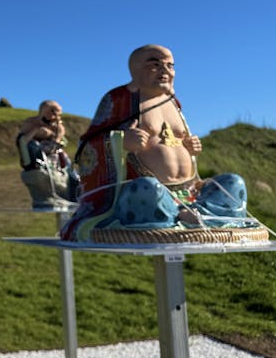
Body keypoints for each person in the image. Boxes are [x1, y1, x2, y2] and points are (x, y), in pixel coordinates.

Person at [61, 45, 248, 241]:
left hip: (191, 192)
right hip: (149, 193)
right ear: (135, 69)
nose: (165, 70)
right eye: (155, 64)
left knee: (233, 183)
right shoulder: (118, 99)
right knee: (146, 189)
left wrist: (190, 148)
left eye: (170, 65)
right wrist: (120, 141)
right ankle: (175, 216)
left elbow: (176, 141)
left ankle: (196, 214)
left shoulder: (173, 102)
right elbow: (86, 148)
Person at [16, 101, 78, 207]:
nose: (54, 116)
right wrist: (36, 130)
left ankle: (74, 196)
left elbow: (59, 141)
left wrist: (56, 136)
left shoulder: (58, 126)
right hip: (39, 159)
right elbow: (23, 141)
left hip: (56, 158)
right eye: (53, 112)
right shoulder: (31, 123)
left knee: (72, 176)